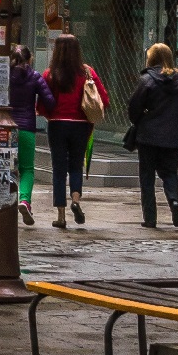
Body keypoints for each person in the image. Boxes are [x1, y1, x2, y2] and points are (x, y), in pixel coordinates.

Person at [41, 33, 109, 228]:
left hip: (57, 124)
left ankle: (61, 216)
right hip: (81, 125)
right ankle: (76, 201)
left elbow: (43, 104)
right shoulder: (87, 72)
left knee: (59, 169)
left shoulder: (50, 74)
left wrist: (50, 114)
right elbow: (103, 99)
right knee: (76, 165)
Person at [129, 42, 178, 229]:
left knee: (147, 177)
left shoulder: (146, 81)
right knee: (170, 174)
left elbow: (134, 108)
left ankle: (150, 218)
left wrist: (140, 122)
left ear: (151, 59)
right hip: (172, 139)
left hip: (148, 138)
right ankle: (174, 200)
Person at [8, 43, 44, 225]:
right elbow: (50, 100)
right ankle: (24, 201)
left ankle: (4, 204)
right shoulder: (35, 77)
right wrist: (39, 108)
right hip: (27, 128)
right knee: (27, 169)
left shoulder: (5, 76)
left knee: (6, 167)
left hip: (7, 129)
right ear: (30, 59)